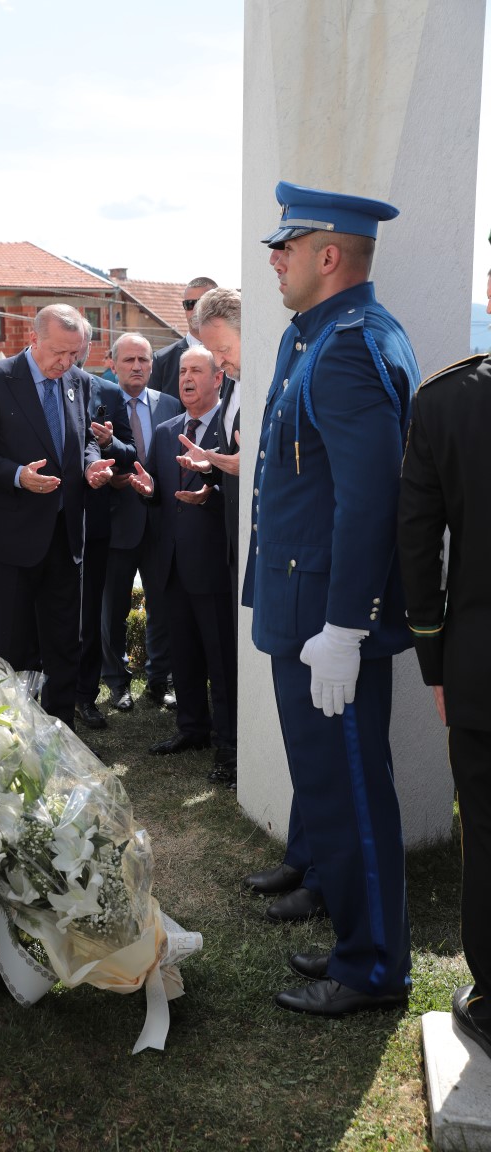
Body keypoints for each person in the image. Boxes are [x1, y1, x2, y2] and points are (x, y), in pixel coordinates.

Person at [241, 181, 419, 1016]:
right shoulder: (320, 335)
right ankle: (356, 938)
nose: (275, 261)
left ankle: (373, 969)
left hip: (326, 623)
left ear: (329, 255)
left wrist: (346, 626)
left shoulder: (348, 346)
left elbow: (369, 499)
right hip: (306, 611)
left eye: (287, 248)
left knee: (350, 794)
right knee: (333, 790)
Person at [398, 275, 491, 1059]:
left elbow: (417, 540)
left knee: (486, 833)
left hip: (480, 665)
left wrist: (435, 661)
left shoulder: (448, 399)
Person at [0, 304, 113, 728]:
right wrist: (17, 476)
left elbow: (85, 440)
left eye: (74, 354)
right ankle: (15, 735)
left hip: (66, 537)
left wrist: (90, 465)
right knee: (14, 646)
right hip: (13, 538)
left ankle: (60, 735)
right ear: (33, 339)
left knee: (65, 644)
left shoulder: (79, 382)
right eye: (58, 352)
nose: (66, 363)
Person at [130, 347, 237, 778]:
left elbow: (238, 492)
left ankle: (229, 743)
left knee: (221, 659)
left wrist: (212, 493)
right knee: (183, 654)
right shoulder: (167, 429)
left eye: (196, 371)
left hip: (213, 564)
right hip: (170, 564)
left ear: (218, 379)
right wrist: (148, 490)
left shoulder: (232, 431)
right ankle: (192, 728)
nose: (187, 378)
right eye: (182, 372)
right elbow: (160, 490)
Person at [176, 287, 241, 786]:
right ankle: (207, 735)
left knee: (225, 660)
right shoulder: (236, 386)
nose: (220, 362)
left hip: (229, 555)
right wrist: (215, 472)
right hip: (192, 560)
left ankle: (233, 749)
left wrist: (218, 471)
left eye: (221, 351)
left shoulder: (248, 387)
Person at [101, 333, 181, 712]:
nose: (137, 366)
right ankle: (117, 683)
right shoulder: (98, 403)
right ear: (112, 363)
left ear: (152, 364)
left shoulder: (170, 404)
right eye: (129, 360)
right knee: (113, 609)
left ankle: (159, 679)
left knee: (162, 607)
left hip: (161, 522)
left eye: (144, 360)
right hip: (116, 522)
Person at [74, 322, 136, 730]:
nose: (72, 354)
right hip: (44, 517)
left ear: (88, 347)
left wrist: (110, 443)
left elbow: (131, 453)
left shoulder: (108, 393)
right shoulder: (26, 388)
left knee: (89, 613)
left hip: (94, 523)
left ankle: (85, 696)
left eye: (79, 345)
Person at [149, 276, 218, 400]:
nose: (196, 310)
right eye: (189, 304)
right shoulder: (162, 360)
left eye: (202, 303)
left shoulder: (233, 357)